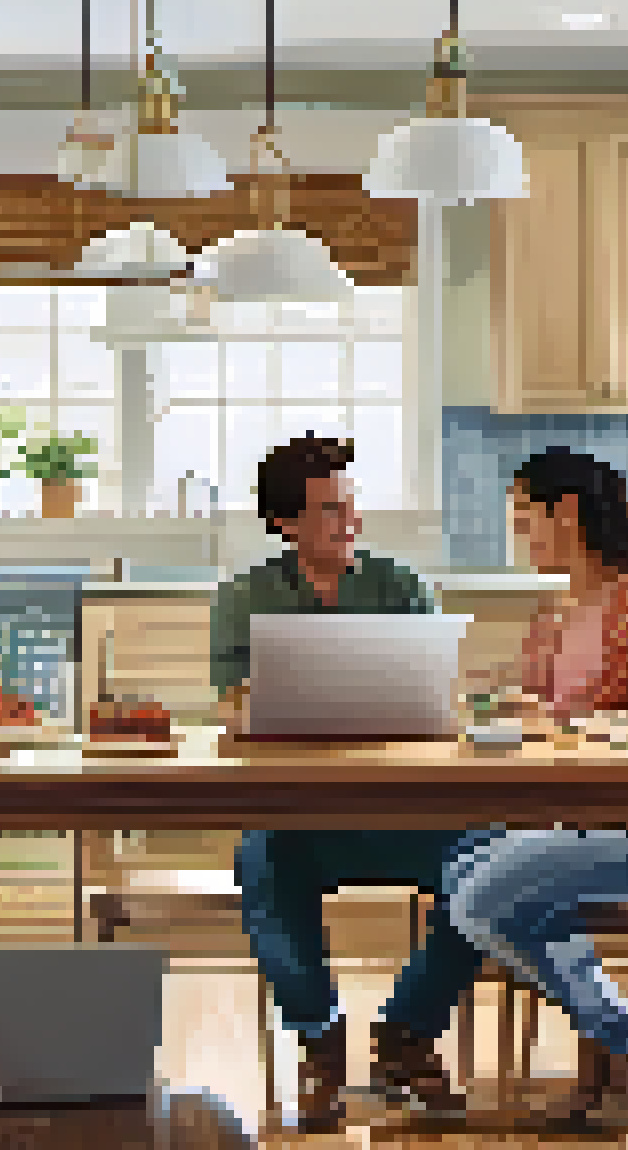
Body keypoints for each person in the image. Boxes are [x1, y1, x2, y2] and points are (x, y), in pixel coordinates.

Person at [212, 435, 483, 1129]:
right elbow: (229, 704)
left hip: (407, 814)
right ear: (286, 524)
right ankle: (320, 1044)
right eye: (331, 510)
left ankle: (408, 1032)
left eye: (350, 505)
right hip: (302, 818)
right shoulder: (246, 596)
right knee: (262, 863)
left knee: (490, 866)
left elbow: (440, 697)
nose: (349, 521)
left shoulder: (401, 586)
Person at [444, 448, 628, 1128]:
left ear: (568, 512)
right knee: (461, 870)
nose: (521, 535)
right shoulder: (555, 613)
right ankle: (605, 1047)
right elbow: (536, 715)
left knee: (479, 898)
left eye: (527, 518)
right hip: (567, 827)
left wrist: (557, 721)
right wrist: (499, 709)